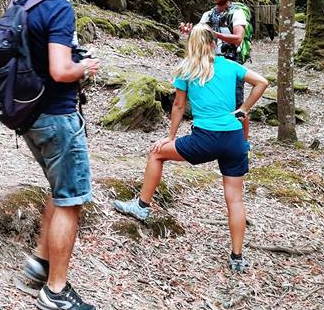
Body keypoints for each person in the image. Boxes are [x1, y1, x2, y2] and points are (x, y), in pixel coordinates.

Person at [112, 24, 268, 272]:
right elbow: (262, 82)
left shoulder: (187, 69)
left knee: (156, 153)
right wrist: (243, 109)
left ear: (191, 44)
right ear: (214, 44)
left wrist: (170, 137)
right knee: (235, 200)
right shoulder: (231, 66)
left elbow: (178, 106)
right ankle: (237, 257)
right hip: (234, 139)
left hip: (204, 140)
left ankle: (141, 207)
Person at [16, 0, 100, 310]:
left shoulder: (21, 1)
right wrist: (86, 66)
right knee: (71, 200)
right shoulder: (59, 8)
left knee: (58, 187)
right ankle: (55, 291)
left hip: (28, 114)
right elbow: (60, 70)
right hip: (57, 116)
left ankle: (40, 262)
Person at [180, 0, 249, 137]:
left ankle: (244, 141)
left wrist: (214, 34)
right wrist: (190, 32)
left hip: (231, 62)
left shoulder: (236, 13)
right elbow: (200, 35)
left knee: (237, 102)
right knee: (212, 98)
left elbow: (238, 38)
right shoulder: (208, 15)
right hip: (209, 62)